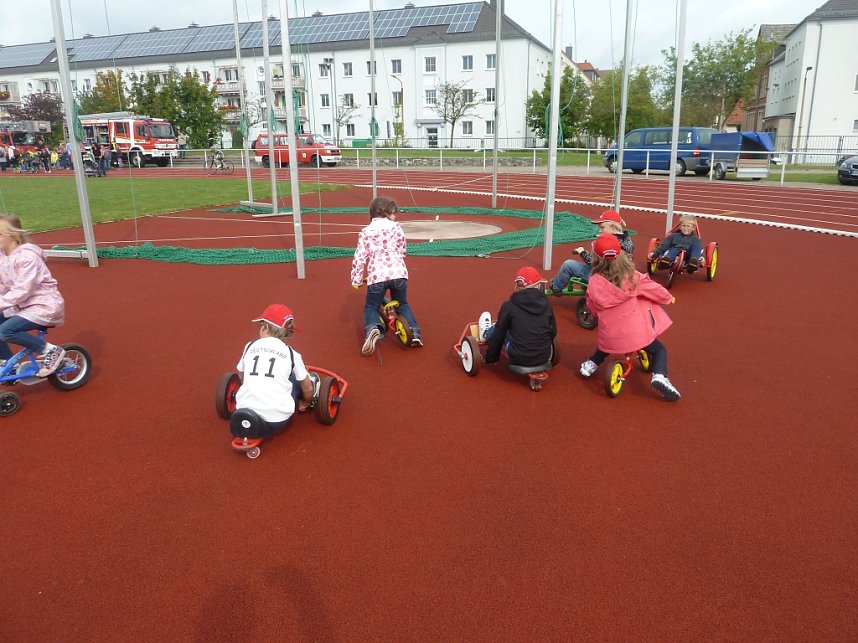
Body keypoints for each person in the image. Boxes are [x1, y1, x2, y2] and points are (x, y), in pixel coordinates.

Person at [579, 233, 681, 401]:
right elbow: (655, 290)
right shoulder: (633, 277)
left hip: (610, 337)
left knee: (605, 345)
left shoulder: (594, 281)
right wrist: (669, 298)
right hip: (636, 336)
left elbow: (591, 307)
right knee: (659, 349)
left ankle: (591, 364)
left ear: (596, 259)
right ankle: (660, 375)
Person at [350, 196, 422, 354]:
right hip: (399, 273)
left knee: (371, 306)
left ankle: (372, 330)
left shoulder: (366, 232)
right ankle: (415, 332)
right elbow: (402, 247)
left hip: (378, 275)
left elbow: (360, 257)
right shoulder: (396, 227)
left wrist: (356, 279)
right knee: (402, 303)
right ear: (387, 213)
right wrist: (398, 260)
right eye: (393, 213)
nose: (395, 216)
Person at [232, 304, 315, 438]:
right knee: (294, 380)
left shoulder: (250, 346)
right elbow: (307, 389)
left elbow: (241, 376)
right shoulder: (292, 354)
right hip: (277, 420)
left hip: (243, 410)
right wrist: (306, 402)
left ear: (265, 328)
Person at [0, 214, 67, 377]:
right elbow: (4, 285)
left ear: (13, 235)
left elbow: (23, 290)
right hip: (22, 306)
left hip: (44, 306)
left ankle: (51, 350)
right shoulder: (3, 257)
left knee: (5, 331)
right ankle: (7, 363)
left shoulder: (27, 257)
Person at [481, 266, 557, 367]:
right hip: (544, 356)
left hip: (518, 357)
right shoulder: (546, 303)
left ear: (517, 287)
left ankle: (486, 333)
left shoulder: (509, 305)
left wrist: (491, 359)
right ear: (538, 286)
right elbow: (553, 331)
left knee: (500, 328)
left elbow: (498, 336)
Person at [549, 209, 634, 293]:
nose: (600, 230)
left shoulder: (608, 243)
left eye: (602, 227)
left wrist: (582, 252)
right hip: (622, 276)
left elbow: (594, 262)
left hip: (605, 277)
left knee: (568, 265)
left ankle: (556, 287)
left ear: (612, 226)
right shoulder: (628, 241)